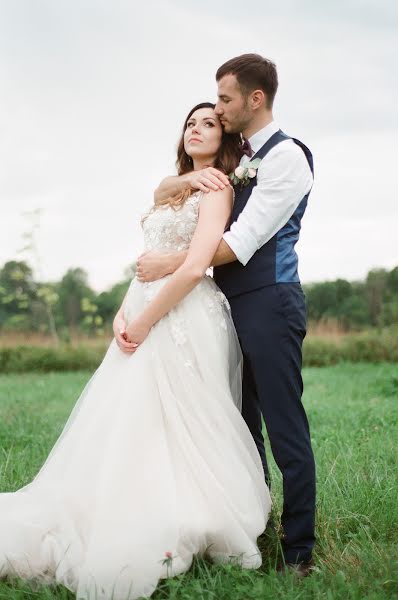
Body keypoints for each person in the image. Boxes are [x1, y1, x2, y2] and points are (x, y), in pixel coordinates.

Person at [0, 102, 271, 600]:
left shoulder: (218, 190)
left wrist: (145, 321)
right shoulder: (172, 188)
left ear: (225, 136)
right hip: (142, 310)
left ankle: (188, 513)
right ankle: (113, 503)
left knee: (187, 420)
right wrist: (125, 311)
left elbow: (192, 268)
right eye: (191, 122)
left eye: (209, 122)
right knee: (133, 418)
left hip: (186, 316)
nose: (197, 128)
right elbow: (145, 263)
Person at [136, 54, 316, 576]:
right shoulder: (238, 161)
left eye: (225, 99)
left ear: (255, 99)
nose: (218, 107)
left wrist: (173, 263)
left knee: (284, 426)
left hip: (269, 301)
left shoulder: (286, 158)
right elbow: (173, 192)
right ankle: (251, 525)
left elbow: (242, 240)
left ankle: (300, 549)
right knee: (240, 426)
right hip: (224, 307)